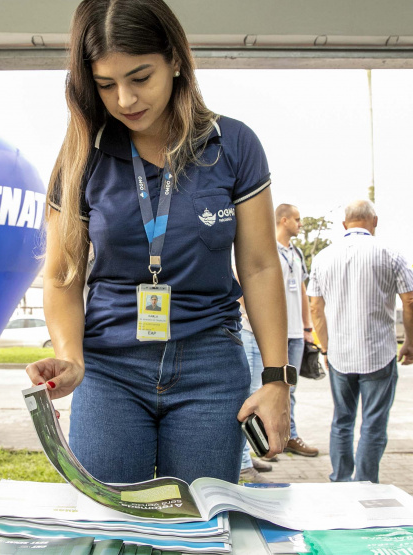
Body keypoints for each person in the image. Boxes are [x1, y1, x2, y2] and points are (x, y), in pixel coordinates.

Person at [26, 0, 292, 485]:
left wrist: (276, 380)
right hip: (110, 370)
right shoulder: (81, 155)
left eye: (139, 77)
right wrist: (70, 356)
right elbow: (64, 276)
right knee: (110, 529)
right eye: (106, 85)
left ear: (174, 59)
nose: (125, 99)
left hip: (210, 367)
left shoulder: (233, 145)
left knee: (196, 528)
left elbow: (258, 267)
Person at [307, 200, 413, 483]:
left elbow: (315, 308)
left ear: (345, 224)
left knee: (342, 421)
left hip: (340, 354)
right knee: (373, 424)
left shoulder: (323, 257)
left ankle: (341, 481)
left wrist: (326, 347)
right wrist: (410, 342)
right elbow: (411, 301)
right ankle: (366, 484)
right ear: (375, 221)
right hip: (378, 352)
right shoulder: (390, 254)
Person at [238, 204, 318, 482]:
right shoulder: (263, 246)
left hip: (294, 333)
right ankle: (243, 460)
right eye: (297, 219)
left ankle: (287, 438)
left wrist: (307, 329)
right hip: (261, 333)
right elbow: (245, 280)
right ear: (283, 220)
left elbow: (303, 293)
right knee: (251, 394)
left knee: (285, 391)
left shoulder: (295, 254)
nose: (300, 224)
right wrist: (251, 318)